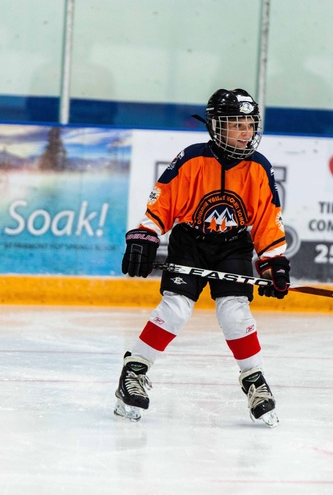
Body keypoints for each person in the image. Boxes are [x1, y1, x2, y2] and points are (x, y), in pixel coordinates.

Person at [114, 88, 290, 427]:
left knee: (235, 312)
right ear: (216, 127)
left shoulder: (259, 168)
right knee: (176, 308)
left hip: (233, 246)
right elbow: (161, 205)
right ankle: (133, 370)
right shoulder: (192, 159)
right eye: (236, 125)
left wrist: (274, 262)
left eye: (250, 124)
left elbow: (269, 221)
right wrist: (145, 236)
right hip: (190, 242)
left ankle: (254, 379)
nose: (246, 132)